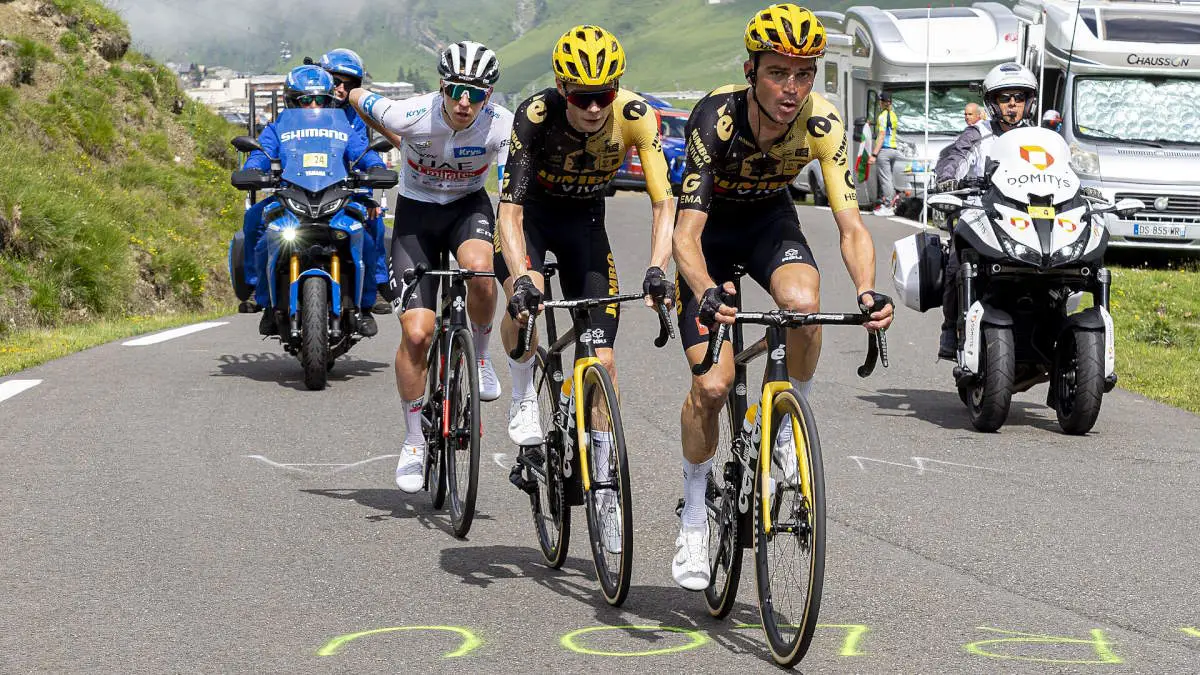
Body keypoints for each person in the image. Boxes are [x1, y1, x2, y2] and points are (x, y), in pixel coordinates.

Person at [671, 3, 894, 590]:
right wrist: (703, 292)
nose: (791, 88)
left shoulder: (823, 124)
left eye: (803, 74)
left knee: (803, 300)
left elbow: (851, 226)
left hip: (769, 221)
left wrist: (869, 292)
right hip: (711, 231)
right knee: (714, 386)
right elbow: (685, 236)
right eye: (777, 73)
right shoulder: (713, 120)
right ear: (752, 70)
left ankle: (792, 415)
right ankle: (694, 510)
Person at [497, 24, 676, 456]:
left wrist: (657, 268)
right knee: (527, 306)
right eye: (581, 97)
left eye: (605, 94)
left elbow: (664, 205)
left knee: (603, 358)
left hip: (585, 223)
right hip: (533, 219)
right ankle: (522, 394)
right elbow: (510, 211)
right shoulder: (536, 114)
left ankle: (603, 472)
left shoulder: (636, 117)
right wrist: (521, 278)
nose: (595, 108)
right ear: (561, 88)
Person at [348, 41, 512, 493]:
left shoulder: (502, 127)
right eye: (457, 90)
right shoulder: (411, 114)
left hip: (467, 208)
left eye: (476, 94)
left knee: (481, 271)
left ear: (489, 96)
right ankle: (414, 439)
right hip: (416, 216)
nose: (464, 103)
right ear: (442, 86)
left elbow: (522, 181)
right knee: (418, 332)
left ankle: (479, 358)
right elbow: (364, 100)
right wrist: (349, 91)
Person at [243, 65, 386, 337]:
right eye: (304, 99)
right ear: (291, 100)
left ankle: (366, 304)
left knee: (365, 238)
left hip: (338, 197)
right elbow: (261, 153)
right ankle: (263, 300)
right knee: (259, 232)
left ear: (329, 101)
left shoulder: (343, 127)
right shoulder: (278, 127)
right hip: (290, 197)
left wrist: (376, 167)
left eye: (319, 99)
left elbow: (363, 154)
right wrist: (252, 169)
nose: (312, 105)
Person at [932, 62, 1039, 360]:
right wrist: (947, 177)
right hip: (982, 212)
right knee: (957, 258)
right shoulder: (976, 134)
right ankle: (950, 327)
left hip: (1028, 217)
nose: (1013, 105)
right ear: (993, 103)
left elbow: (1062, 167)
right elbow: (952, 158)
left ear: (1028, 102)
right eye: (1006, 98)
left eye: (1019, 97)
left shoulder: (1038, 137)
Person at [319, 48, 392, 317]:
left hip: (344, 190)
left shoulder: (355, 117)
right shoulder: (304, 108)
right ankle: (260, 287)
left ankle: (376, 287)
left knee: (373, 223)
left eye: (348, 85)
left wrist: (375, 169)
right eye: (336, 81)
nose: (340, 89)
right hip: (304, 187)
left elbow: (361, 151)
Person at [869, 90, 901, 216]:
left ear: (881, 103)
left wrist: (874, 154)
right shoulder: (893, 115)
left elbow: (882, 136)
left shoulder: (882, 116)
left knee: (885, 180)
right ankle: (890, 203)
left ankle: (888, 206)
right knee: (890, 179)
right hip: (894, 149)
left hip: (885, 151)